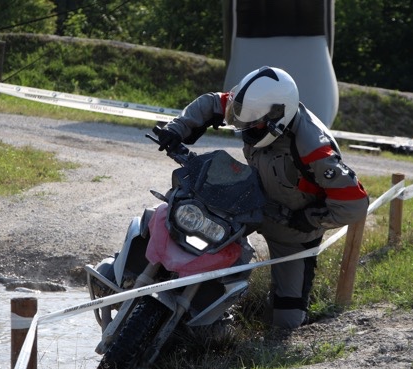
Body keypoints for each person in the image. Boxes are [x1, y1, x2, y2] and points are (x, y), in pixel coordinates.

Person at [155, 66, 368, 329]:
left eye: (251, 124)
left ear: (278, 115)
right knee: (187, 235)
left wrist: (311, 218)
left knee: (286, 321)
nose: (244, 127)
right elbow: (212, 103)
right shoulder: (254, 106)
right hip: (246, 201)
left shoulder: (315, 148)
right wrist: (177, 128)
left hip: (292, 229)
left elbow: (355, 204)